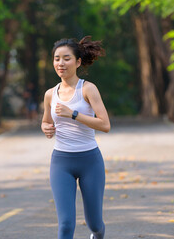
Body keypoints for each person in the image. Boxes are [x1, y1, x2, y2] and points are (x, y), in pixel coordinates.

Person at [41, 36, 110, 239]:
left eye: (66, 58)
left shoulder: (88, 89)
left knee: (95, 223)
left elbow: (105, 124)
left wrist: (74, 114)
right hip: (61, 162)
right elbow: (46, 122)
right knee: (65, 225)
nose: (60, 63)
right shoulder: (50, 94)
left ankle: (97, 236)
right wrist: (46, 128)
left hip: (90, 161)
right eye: (56, 59)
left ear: (78, 62)